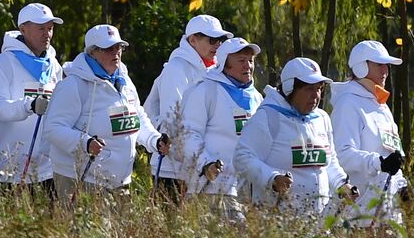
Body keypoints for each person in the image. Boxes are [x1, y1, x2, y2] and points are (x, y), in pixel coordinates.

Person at [45, 24, 168, 202]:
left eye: (118, 47)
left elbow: (137, 116)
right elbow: (53, 128)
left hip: (120, 182)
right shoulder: (73, 85)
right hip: (81, 180)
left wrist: (154, 140)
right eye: (108, 49)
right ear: (92, 53)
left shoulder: (124, 80)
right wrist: (85, 143)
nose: (116, 53)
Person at [235, 57, 355, 223]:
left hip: (318, 223)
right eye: (309, 89)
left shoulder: (322, 119)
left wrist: (342, 184)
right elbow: (242, 157)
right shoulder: (268, 117)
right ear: (290, 88)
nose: (316, 95)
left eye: (319, 89)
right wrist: (272, 178)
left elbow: (329, 162)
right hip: (276, 225)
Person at [0, 3, 65, 198]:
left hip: (45, 168)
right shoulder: (2, 63)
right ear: (23, 30)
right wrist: (29, 105)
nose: (47, 34)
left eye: (50, 28)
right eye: (41, 28)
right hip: (7, 169)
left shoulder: (53, 65)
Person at [145, 14, 233, 201]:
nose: (218, 45)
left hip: (198, 167)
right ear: (192, 40)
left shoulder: (215, 71)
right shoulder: (176, 68)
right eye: (212, 40)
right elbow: (173, 120)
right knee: (170, 227)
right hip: (172, 169)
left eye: (221, 40)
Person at [177, 36, 263, 220]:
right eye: (241, 60)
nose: (248, 66)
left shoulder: (257, 97)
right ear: (224, 64)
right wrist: (206, 164)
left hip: (247, 193)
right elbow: (188, 135)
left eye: (251, 60)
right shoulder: (206, 91)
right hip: (211, 191)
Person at [332, 40, 410, 231]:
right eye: (379, 65)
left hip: (389, 214)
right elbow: (341, 156)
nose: (385, 71)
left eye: (387, 65)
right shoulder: (347, 104)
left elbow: (394, 156)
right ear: (360, 67)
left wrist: (403, 187)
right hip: (360, 215)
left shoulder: (381, 106)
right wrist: (378, 162)